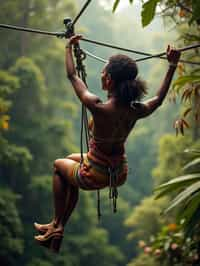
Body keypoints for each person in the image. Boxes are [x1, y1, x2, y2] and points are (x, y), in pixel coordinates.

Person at [34, 35, 181, 252]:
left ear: (109, 81)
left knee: (58, 165)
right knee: (69, 162)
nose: (101, 76)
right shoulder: (135, 110)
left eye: (103, 74)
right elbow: (158, 99)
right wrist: (172, 65)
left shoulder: (99, 108)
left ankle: (57, 224)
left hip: (93, 174)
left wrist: (67, 47)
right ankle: (58, 227)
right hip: (118, 172)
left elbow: (72, 75)